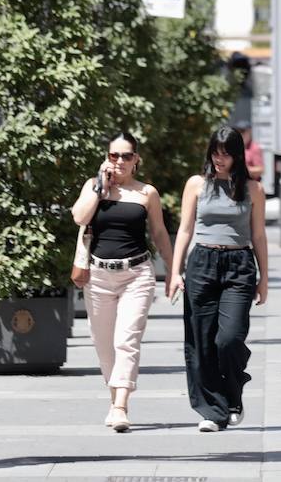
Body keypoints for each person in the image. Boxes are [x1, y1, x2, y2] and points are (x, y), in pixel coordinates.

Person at [70, 133, 174, 432]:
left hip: (137, 274)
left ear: (136, 159)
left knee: (126, 340)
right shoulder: (94, 187)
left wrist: (174, 270)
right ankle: (115, 397)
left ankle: (120, 406)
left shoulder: (146, 193)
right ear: (106, 157)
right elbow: (79, 216)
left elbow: (159, 233)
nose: (119, 162)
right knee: (104, 344)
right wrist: (100, 187)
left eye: (126, 156)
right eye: (114, 155)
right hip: (99, 275)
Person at [169, 125, 269, 433]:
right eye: (215, 153)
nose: (219, 159)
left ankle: (234, 390)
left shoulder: (253, 189)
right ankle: (213, 410)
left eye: (226, 154)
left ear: (237, 155)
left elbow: (258, 234)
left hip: (239, 264)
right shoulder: (197, 184)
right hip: (202, 263)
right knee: (202, 341)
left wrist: (264, 278)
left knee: (230, 339)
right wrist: (175, 271)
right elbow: (185, 229)